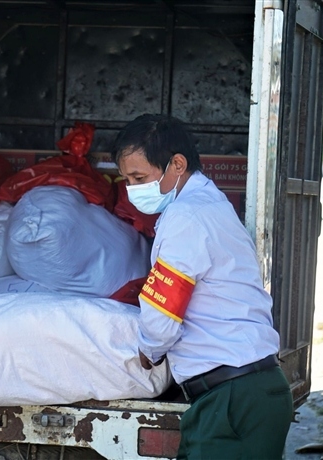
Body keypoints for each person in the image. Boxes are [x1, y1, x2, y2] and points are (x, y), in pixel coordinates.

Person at [113, 114, 293, 459]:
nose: (132, 189)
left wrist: (148, 352)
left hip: (231, 401)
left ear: (176, 164)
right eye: (127, 180)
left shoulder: (186, 217)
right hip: (248, 392)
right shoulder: (211, 204)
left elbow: (163, 309)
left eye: (139, 177)